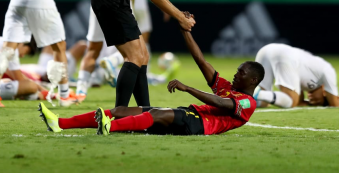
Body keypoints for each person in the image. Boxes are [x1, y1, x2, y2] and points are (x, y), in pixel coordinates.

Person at [38, 25, 265, 136]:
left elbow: (222, 104)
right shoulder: (228, 87)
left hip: (199, 125)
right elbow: (200, 60)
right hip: (191, 114)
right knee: (121, 110)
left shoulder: (247, 102)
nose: (236, 74)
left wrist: (187, 88)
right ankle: (61, 123)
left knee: (154, 114)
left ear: (253, 80)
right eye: (237, 70)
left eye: (241, 73)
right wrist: (185, 30)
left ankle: (110, 128)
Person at [254, 43, 339, 108]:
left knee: (262, 103)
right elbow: (335, 104)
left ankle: (244, 95)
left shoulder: (307, 77)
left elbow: (300, 102)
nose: (312, 99)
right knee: (291, 101)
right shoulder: (327, 69)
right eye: (318, 100)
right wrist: (335, 100)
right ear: (324, 91)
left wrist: (309, 103)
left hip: (267, 50)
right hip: (285, 54)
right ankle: (257, 93)